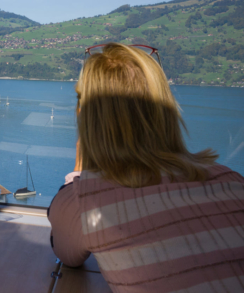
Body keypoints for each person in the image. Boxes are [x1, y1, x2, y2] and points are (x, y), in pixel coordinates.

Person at [48, 43, 244, 292]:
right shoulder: (233, 181)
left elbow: (66, 253)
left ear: (86, 118)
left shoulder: (88, 200)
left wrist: (79, 173)